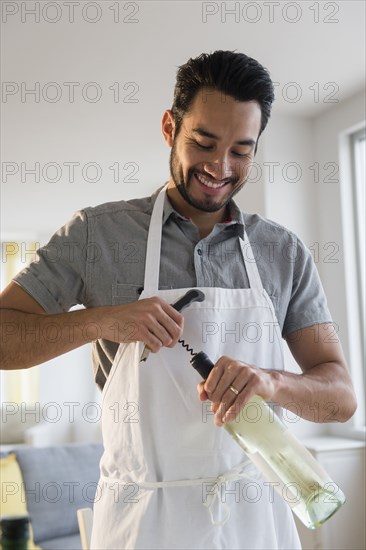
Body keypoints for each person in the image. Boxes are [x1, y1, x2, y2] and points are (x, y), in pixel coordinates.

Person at [0, 50, 357, 549]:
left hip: (254, 522)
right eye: (204, 142)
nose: (220, 166)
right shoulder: (95, 235)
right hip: (142, 523)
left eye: (241, 150)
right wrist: (102, 321)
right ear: (170, 127)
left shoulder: (283, 253)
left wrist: (271, 381)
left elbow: (340, 399)